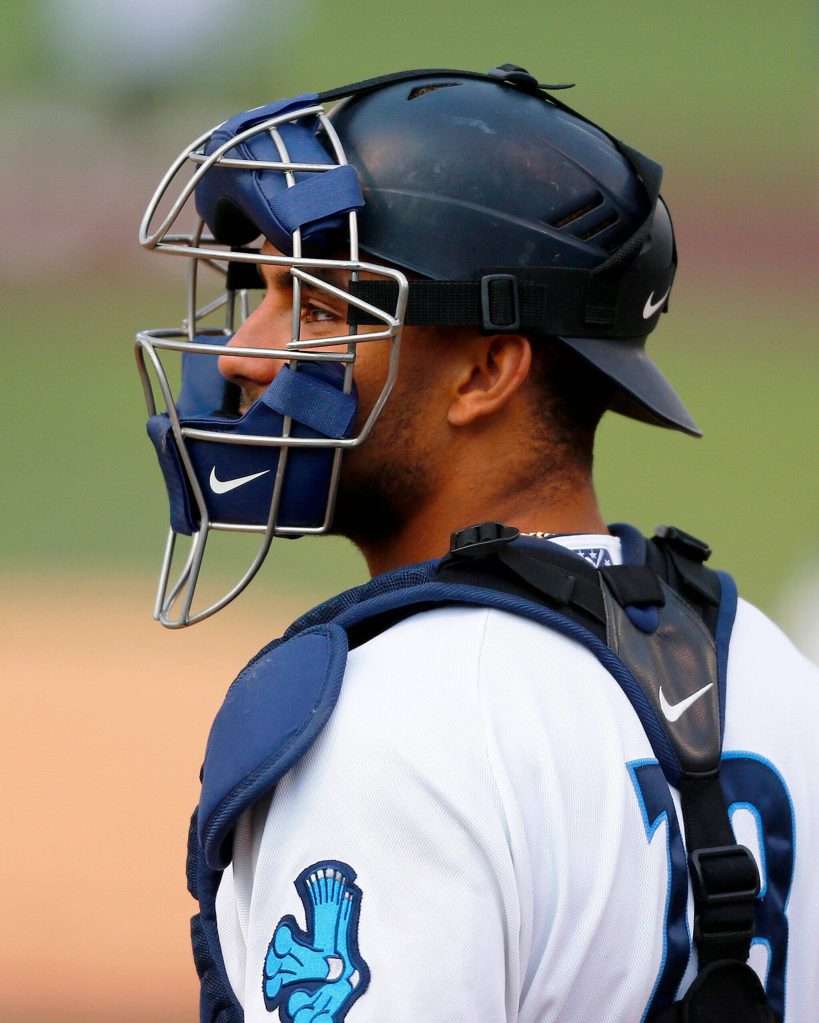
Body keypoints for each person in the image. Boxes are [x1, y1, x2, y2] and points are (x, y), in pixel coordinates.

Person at [137, 67, 818, 1023]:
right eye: (260, 292)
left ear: (487, 371)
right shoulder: (775, 675)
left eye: (321, 310)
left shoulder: (385, 730)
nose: (245, 355)